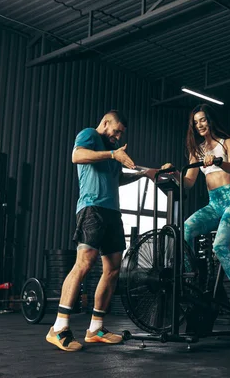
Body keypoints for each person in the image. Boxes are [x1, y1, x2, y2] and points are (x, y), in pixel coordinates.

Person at [46, 110, 157, 351]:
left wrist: (143, 173)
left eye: (120, 133)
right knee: (84, 263)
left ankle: (96, 328)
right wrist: (112, 154)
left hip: (112, 212)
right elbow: (77, 156)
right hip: (92, 208)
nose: (117, 135)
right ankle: (58, 328)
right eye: (116, 130)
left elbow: (116, 179)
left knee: (113, 268)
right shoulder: (89, 136)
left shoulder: (110, 151)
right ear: (105, 123)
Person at [161, 104, 230, 325]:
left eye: (203, 120)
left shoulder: (226, 142)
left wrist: (218, 161)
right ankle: (194, 282)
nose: (200, 125)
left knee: (219, 246)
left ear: (210, 120)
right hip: (214, 204)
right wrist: (173, 173)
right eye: (196, 122)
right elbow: (188, 183)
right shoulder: (197, 151)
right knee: (185, 229)